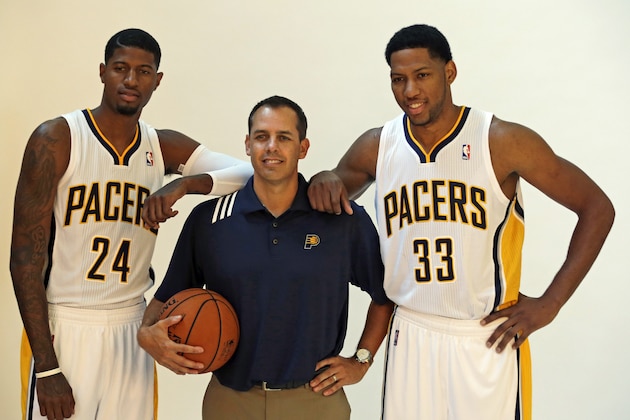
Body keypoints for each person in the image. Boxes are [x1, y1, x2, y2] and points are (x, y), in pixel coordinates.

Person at [307, 24, 615, 420]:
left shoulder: (501, 140)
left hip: (486, 336)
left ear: (449, 72)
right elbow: (333, 190)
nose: (410, 92)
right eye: (398, 80)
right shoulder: (377, 145)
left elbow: (596, 207)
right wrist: (323, 177)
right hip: (411, 332)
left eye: (422, 76)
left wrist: (551, 304)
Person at [10, 28, 253, 420]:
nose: (130, 80)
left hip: (132, 327)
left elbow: (251, 174)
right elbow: (23, 260)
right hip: (65, 324)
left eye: (143, 72)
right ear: (103, 71)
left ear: (157, 81)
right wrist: (49, 366)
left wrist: (185, 184)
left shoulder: (161, 146)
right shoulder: (58, 138)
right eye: (121, 68)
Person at [138, 95, 394, 420]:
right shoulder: (209, 221)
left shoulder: (342, 219)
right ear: (247, 145)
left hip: (316, 401)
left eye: (283, 137)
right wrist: (146, 334)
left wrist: (362, 360)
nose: (271, 147)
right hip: (230, 401)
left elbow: (385, 296)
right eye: (261, 136)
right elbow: (166, 298)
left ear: (303, 148)